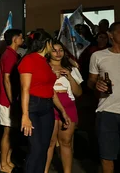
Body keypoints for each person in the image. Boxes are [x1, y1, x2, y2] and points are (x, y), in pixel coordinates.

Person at [18, 31, 71, 173]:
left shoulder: (45, 63)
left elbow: (50, 90)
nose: (53, 46)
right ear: (46, 43)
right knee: (35, 149)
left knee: (44, 148)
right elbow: (25, 88)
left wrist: (63, 111)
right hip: (32, 106)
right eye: (51, 42)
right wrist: (25, 115)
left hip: (47, 107)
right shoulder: (29, 59)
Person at [44, 40, 83, 173]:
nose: (58, 53)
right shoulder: (44, 67)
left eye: (60, 50)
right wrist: (54, 77)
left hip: (69, 106)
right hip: (50, 106)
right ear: (49, 52)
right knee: (50, 142)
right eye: (54, 50)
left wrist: (70, 76)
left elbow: (78, 93)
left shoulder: (71, 68)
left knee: (66, 141)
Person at [87, 22, 120, 173]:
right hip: (107, 111)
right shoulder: (98, 56)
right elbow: (90, 81)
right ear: (111, 35)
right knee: (107, 156)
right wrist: (96, 84)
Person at [0, 29, 23, 173]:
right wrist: (12, 100)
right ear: (14, 39)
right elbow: (6, 79)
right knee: (7, 131)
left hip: (11, 98)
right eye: (21, 37)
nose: (23, 40)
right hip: (7, 99)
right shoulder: (9, 56)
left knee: (12, 132)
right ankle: (3, 164)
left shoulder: (13, 54)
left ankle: (8, 160)